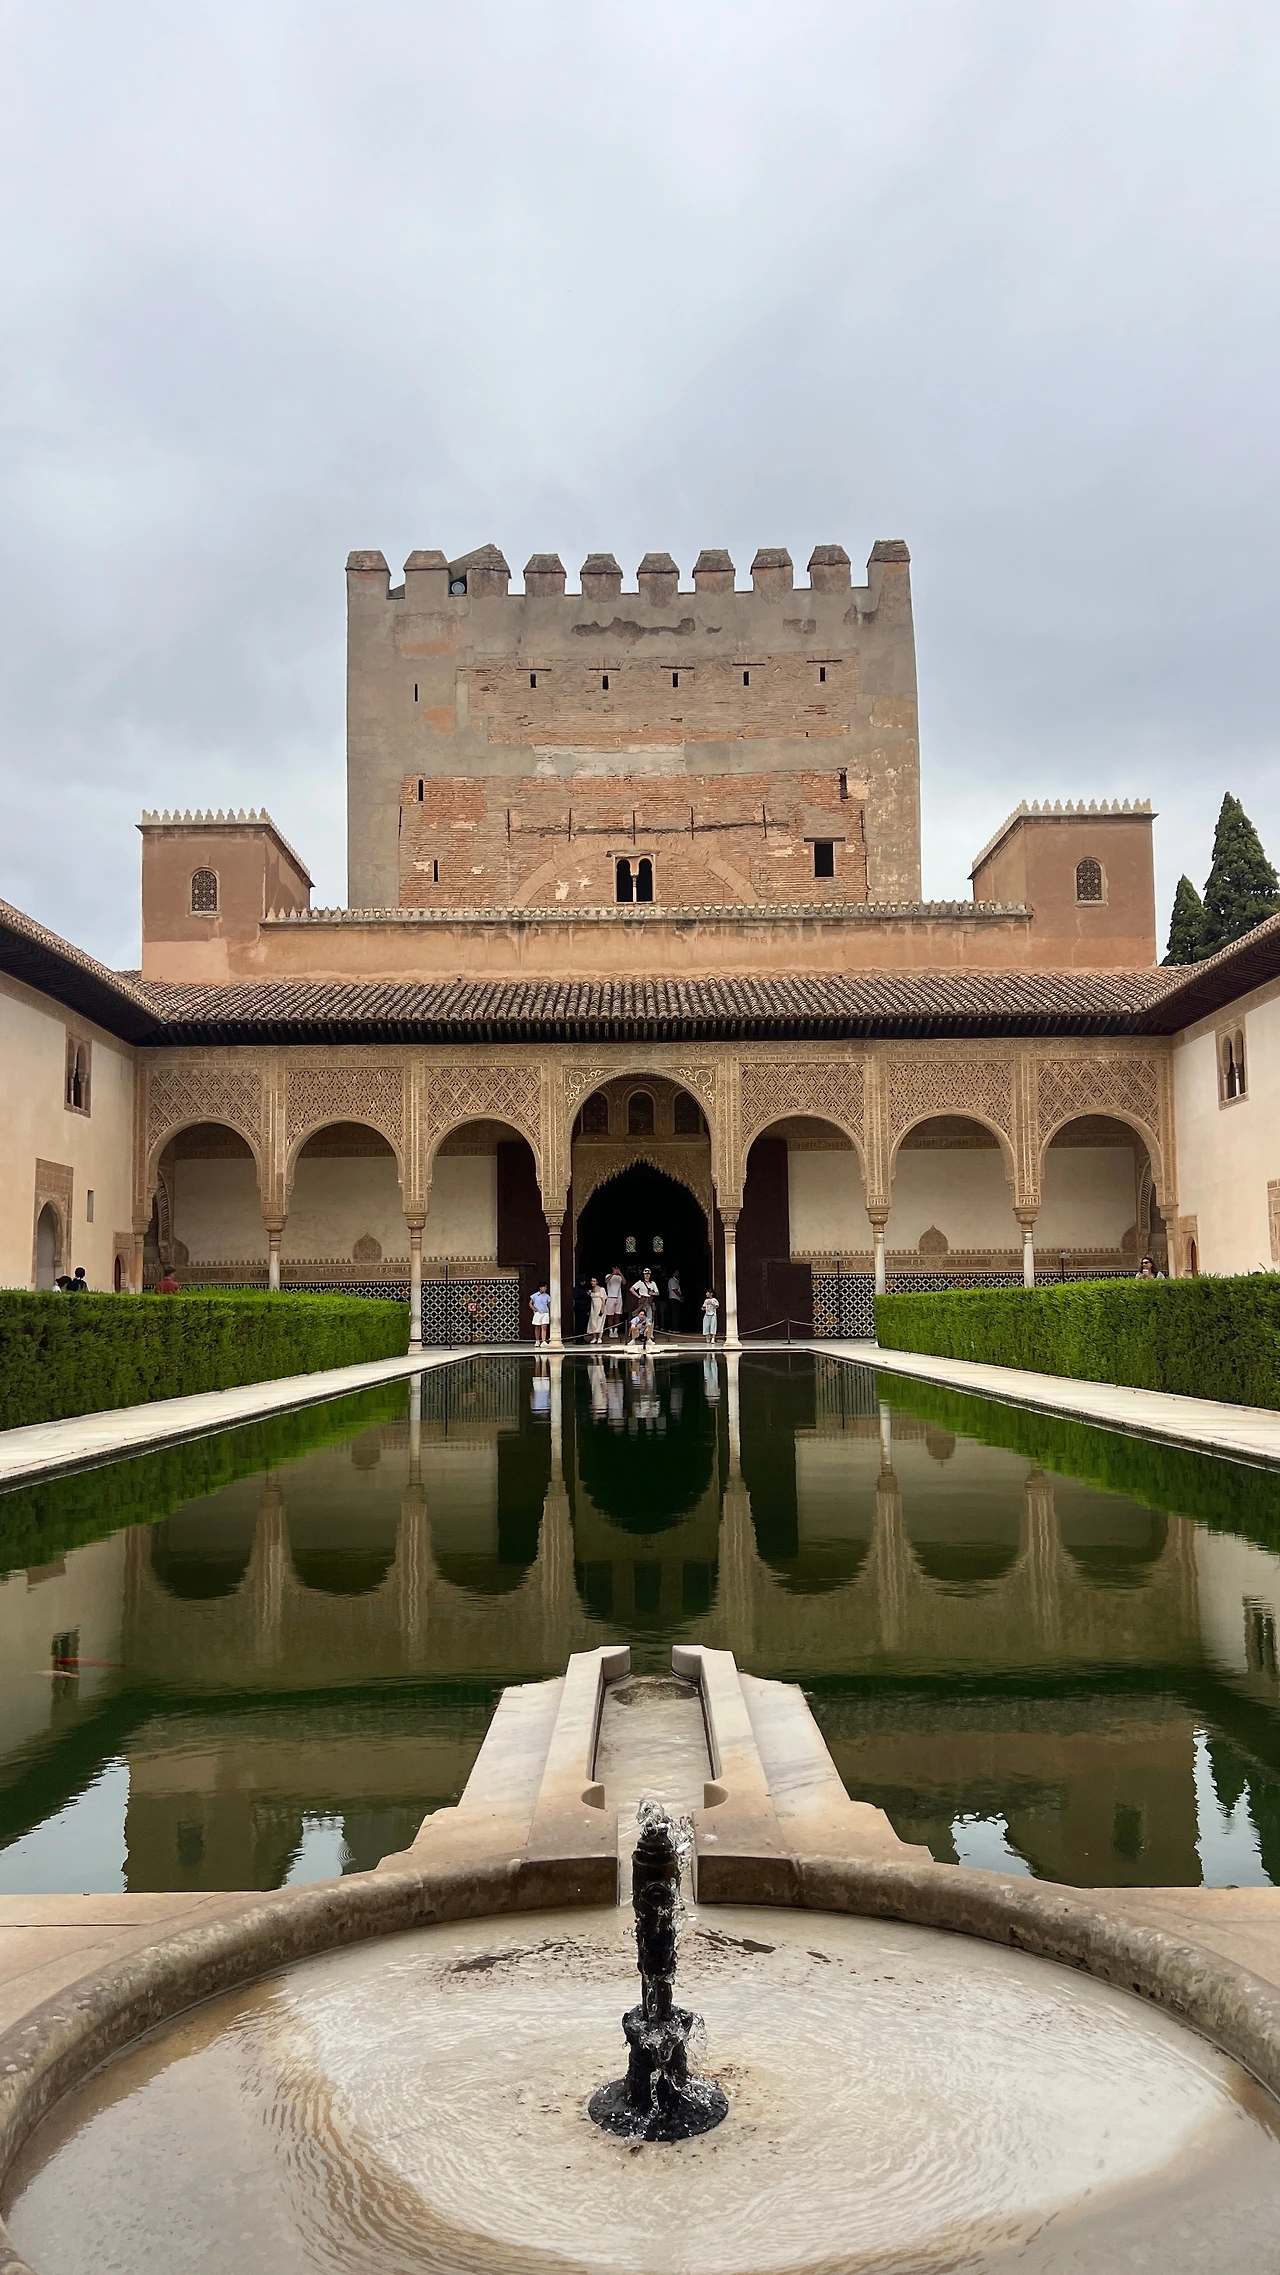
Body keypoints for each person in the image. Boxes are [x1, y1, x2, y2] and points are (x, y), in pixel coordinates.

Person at [604, 1265, 625, 1339]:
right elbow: (606, 1281)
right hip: (610, 1297)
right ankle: (610, 1331)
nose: (616, 1269)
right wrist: (613, 1273)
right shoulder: (608, 1275)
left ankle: (616, 1331)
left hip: (619, 1297)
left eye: (617, 1268)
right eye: (615, 1268)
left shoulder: (619, 1277)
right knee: (610, 1315)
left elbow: (624, 1282)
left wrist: (620, 1273)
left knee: (617, 1315)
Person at [586, 1275, 607, 1344]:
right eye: (592, 1281)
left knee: (600, 1322)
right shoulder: (591, 1290)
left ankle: (600, 1337)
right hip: (593, 1307)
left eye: (594, 1281)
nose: (592, 1282)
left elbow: (603, 1300)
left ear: (597, 1282)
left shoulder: (601, 1289)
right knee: (593, 1322)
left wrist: (602, 1308)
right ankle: (594, 1337)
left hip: (600, 1306)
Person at [666, 1269, 683, 1334]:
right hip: (674, 1299)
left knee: (675, 1314)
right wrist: (680, 1297)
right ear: (673, 1273)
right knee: (674, 1314)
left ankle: (673, 1327)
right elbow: (674, 1290)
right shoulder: (672, 1280)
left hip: (676, 1299)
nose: (678, 1274)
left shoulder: (677, 1281)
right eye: (676, 1273)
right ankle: (674, 1328)